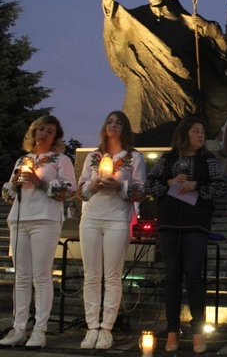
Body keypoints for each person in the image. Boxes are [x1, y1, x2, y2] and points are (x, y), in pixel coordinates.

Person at [101, 0, 227, 139]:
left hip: (180, 88)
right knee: (137, 135)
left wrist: (208, 28)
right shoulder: (139, 17)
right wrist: (109, 9)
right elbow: (120, 27)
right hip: (143, 84)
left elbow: (221, 51)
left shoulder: (184, 19)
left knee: (180, 130)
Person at [146, 116, 227, 354]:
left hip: (196, 225)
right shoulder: (168, 159)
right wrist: (170, 181)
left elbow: (220, 187)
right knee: (172, 277)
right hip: (169, 224)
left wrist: (197, 187)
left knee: (193, 275)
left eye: (202, 131)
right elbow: (150, 185)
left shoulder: (208, 159)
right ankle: (172, 330)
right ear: (184, 133)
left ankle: (198, 332)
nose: (201, 135)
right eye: (195, 131)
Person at [0, 115, 76, 349]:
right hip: (20, 218)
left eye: (50, 131)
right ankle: (18, 328)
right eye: (40, 129)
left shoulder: (61, 160)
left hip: (45, 219)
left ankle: (40, 330)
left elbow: (69, 191)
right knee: (21, 276)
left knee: (41, 275)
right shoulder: (23, 159)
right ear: (33, 133)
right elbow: (7, 194)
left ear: (56, 136)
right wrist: (14, 184)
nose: (44, 133)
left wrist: (40, 182)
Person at [76, 111, 147, 350]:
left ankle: (106, 328)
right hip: (92, 218)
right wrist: (93, 185)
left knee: (112, 275)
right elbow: (81, 189)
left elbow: (139, 191)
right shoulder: (94, 157)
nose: (113, 125)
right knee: (91, 276)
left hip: (117, 219)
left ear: (125, 128)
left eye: (118, 123)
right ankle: (91, 328)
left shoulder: (133, 158)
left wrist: (119, 186)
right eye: (109, 121)